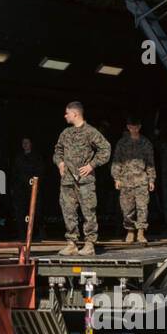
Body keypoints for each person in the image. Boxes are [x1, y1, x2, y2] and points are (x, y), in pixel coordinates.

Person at [52, 102, 111, 257]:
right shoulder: (65, 133)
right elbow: (57, 150)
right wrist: (60, 162)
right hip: (67, 181)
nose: (65, 116)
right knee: (68, 211)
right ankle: (71, 244)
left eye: (67, 113)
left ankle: (89, 244)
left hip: (85, 181)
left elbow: (106, 149)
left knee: (88, 211)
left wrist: (92, 165)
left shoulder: (91, 132)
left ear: (75, 114)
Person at [113, 116, 156, 244]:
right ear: (128, 127)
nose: (134, 128)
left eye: (136, 126)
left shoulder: (146, 143)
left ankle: (141, 232)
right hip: (126, 181)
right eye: (131, 126)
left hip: (142, 180)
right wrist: (116, 178)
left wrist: (151, 179)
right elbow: (117, 161)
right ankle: (130, 231)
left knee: (142, 207)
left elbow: (150, 162)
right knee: (127, 209)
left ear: (139, 127)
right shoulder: (122, 143)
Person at [11, 137, 42, 239]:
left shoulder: (36, 157)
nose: (25, 144)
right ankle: (22, 234)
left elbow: (39, 171)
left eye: (27, 143)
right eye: (23, 143)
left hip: (32, 188)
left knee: (35, 211)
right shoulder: (18, 158)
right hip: (20, 189)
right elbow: (14, 173)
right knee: (21, 212)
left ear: (31, 144)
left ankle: (37, 233)